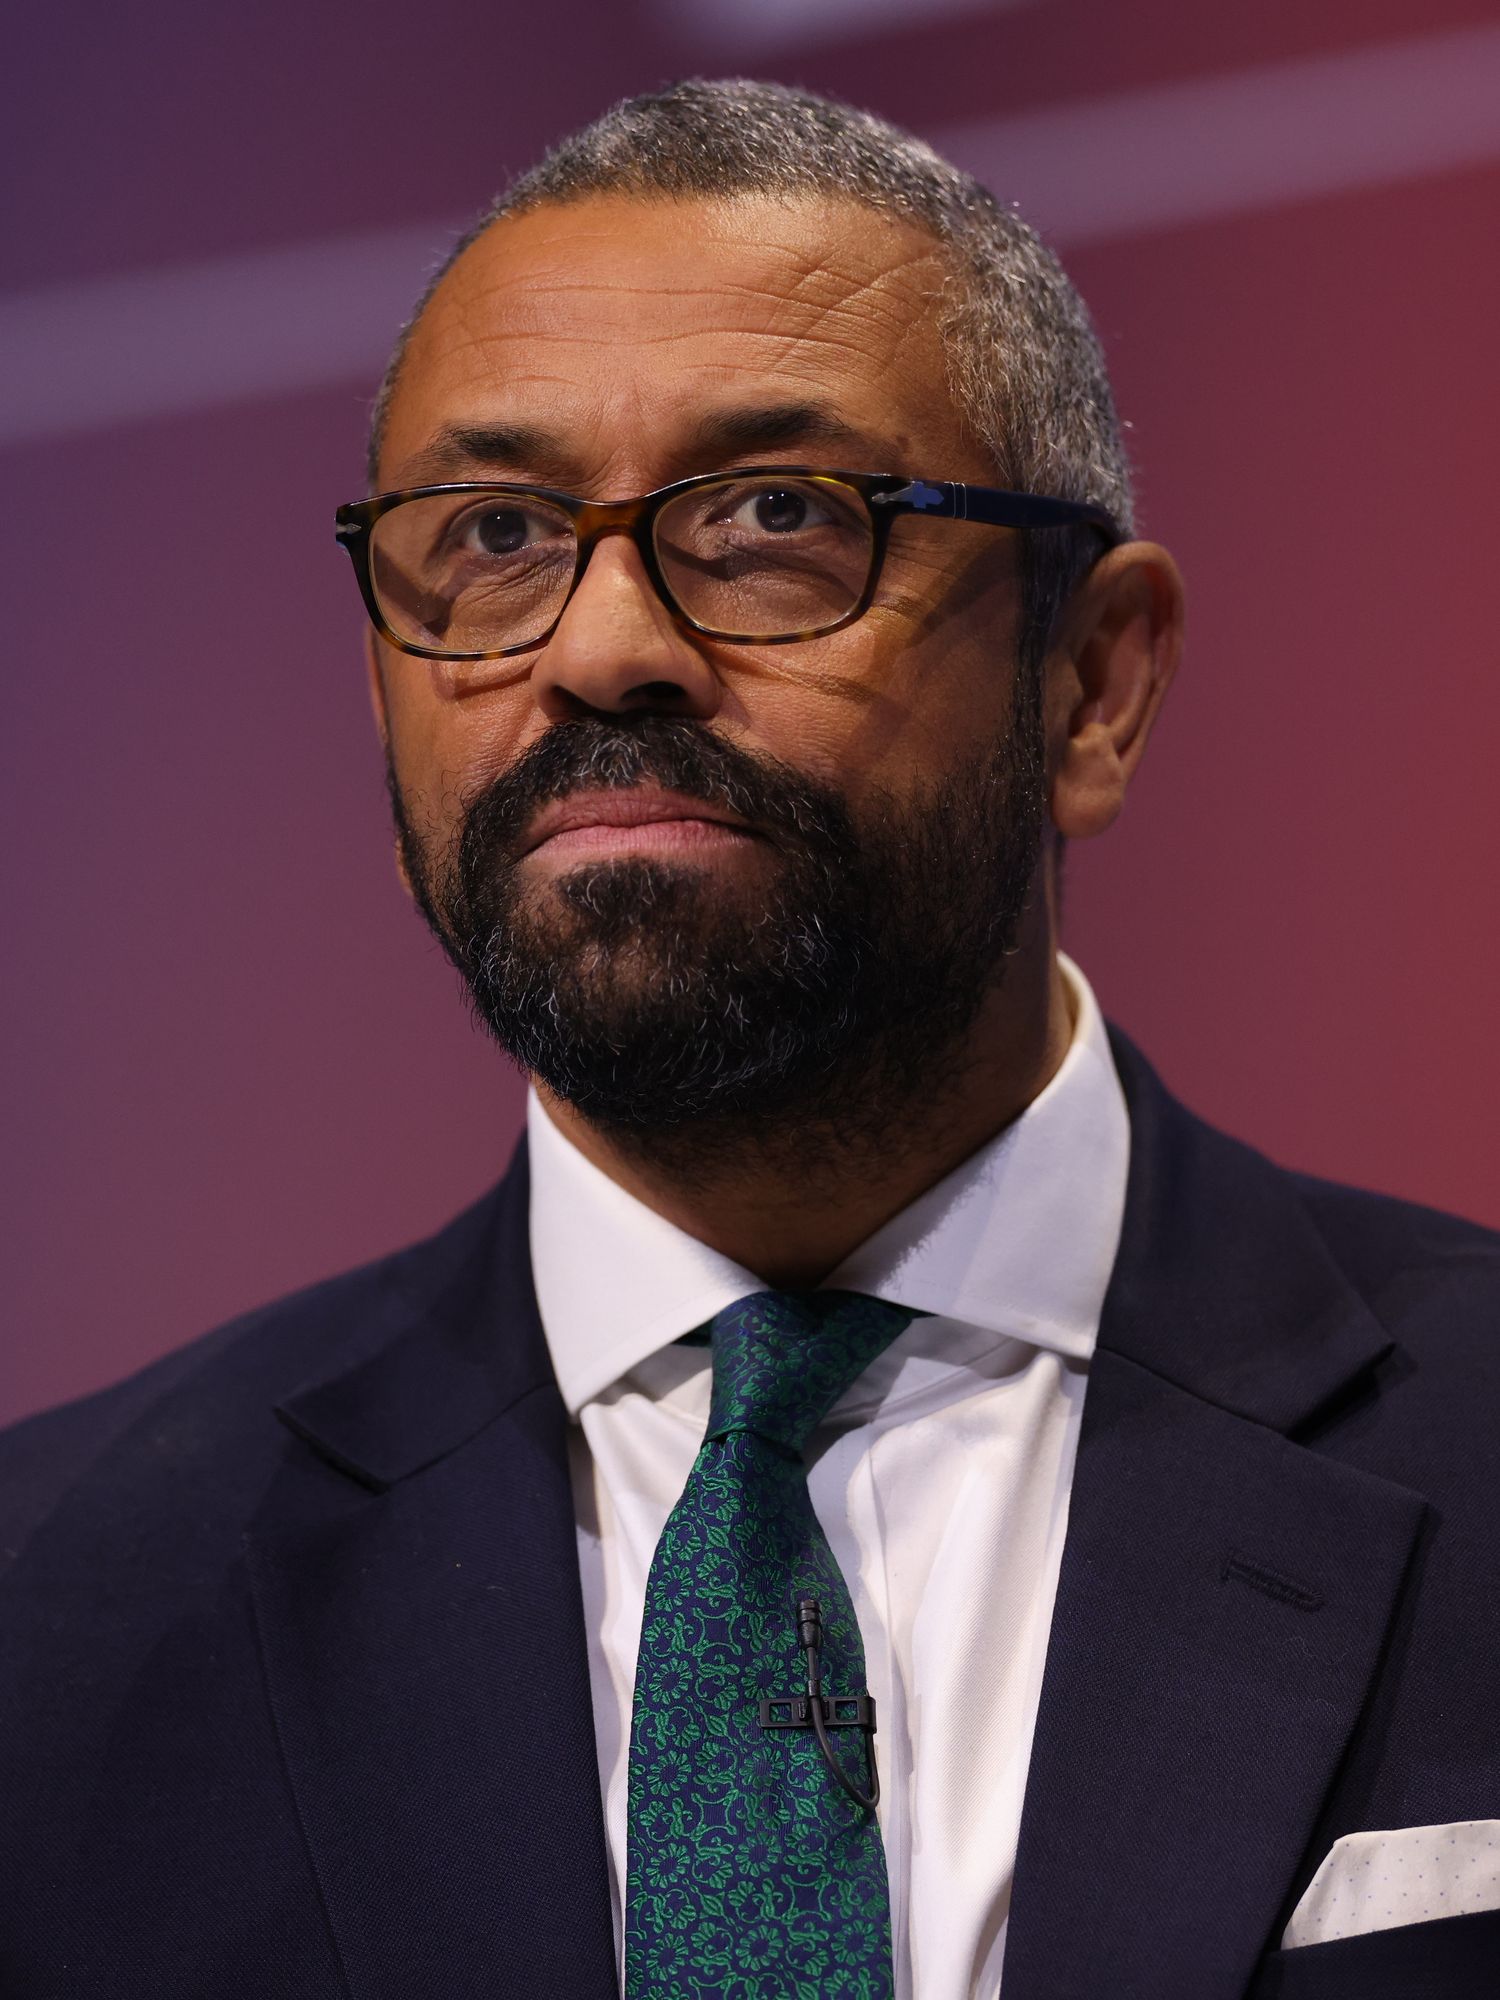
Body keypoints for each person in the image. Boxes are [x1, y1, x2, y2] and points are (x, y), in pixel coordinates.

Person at [1, 77, 1496, 2000]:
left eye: (777, 517)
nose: (602, 646)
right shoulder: (51, 1620)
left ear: (1095, 684)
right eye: (492, 536)